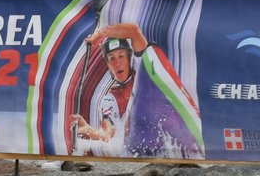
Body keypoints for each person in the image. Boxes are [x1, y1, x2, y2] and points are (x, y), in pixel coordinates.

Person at [68, 22, 203, 159]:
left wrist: (99, 34)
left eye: (121, 56)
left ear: (129, 57)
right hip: (139, 149)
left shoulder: (141, 69)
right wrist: (88, 130)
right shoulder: (109, 99)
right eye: (112, 59)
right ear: (108, 65)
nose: (117, 63)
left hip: (170, 134)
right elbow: (109, 136)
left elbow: (133, 31)